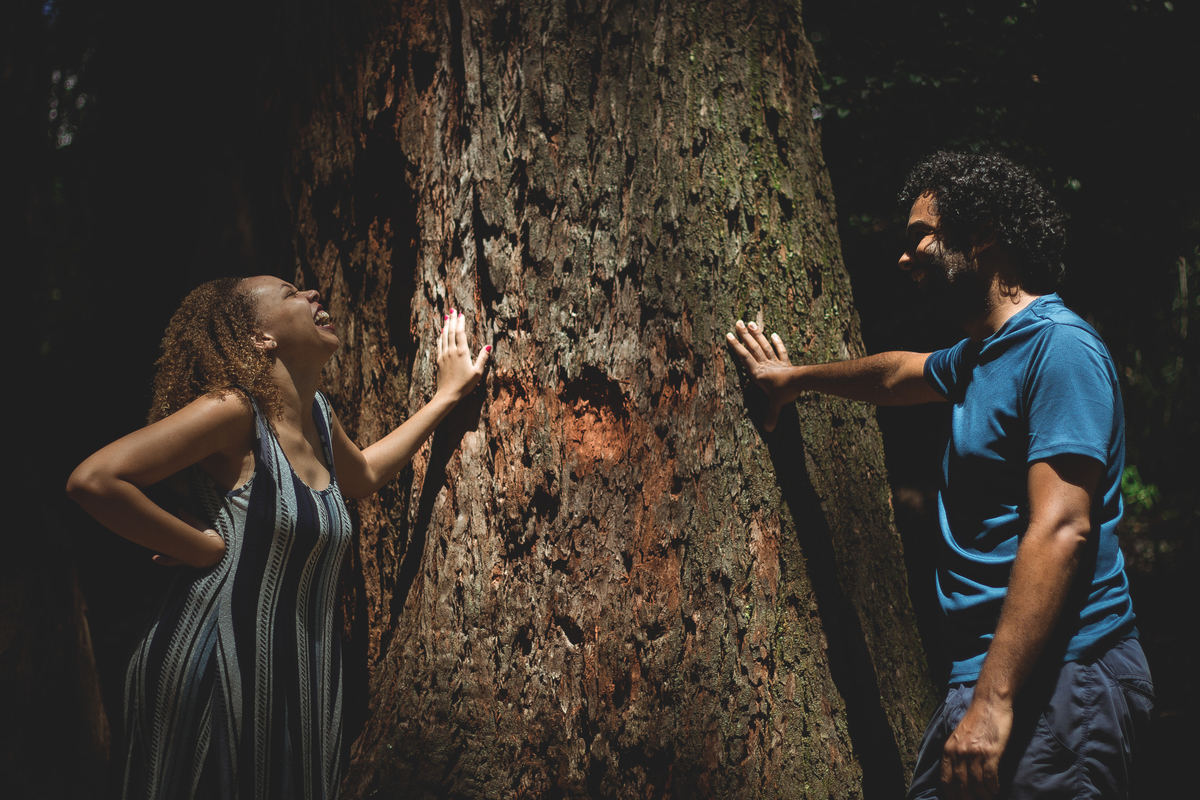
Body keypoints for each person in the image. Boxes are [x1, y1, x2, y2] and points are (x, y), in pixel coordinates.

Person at [726, 152, 1152, 799]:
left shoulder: (1060, 349)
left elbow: (1063, 527)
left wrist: (994, 703)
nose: (904, 257)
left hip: (1062, 674)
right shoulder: (983, 357)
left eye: (919, 236)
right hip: (993, 675)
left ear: (982, 233)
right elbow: (897, 374)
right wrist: (794, 380)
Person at [67, 276, 490, 799]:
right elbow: (95, 480)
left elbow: (363, 476)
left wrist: (447, 396)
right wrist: (200, 547)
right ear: (259, 338)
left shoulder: (318, 417)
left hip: (295, 681)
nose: (313, 295)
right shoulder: (234, 411)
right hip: (215, 670)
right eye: (291, 293)